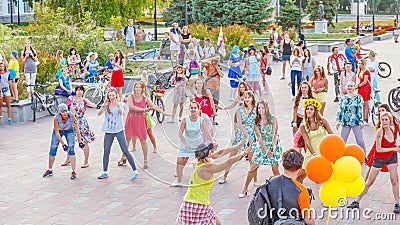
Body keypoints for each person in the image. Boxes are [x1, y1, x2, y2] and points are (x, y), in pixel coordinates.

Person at [176, 141, 249, 224]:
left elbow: (220, 153)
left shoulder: (198, 163)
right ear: (208, 154)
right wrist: (243, 154)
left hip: (190, 202)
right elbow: (228, 162)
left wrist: (237, 146)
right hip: (198, 205)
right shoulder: (207, 168)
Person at [348, 112, 400, 214]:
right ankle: (357, 201)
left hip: (391, 157)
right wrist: (394, 148)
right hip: (379, 158)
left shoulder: (393, 130)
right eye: (382, 120)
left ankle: (397, 203)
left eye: (386, 120)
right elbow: (379, 149)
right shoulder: (380, 132)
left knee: (394, 180)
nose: (384, 122)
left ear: (390, 121)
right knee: (369, 182)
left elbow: (393, 142)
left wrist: (396, 146)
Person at [239, 101, 282, 198]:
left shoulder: (273, 119)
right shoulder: (256, 121)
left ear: (266, 108)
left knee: (275, 168)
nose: (260, 110)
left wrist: (273, 148)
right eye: (259, 108)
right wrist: (266, 149)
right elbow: (259, 137)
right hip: (262, 145)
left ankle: (280, 188)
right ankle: (245, 188)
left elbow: (274, 133)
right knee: (253, 167)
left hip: (273, 144)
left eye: (262, 108)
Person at [171, 101, 216, 187]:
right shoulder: (185, 119)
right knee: (180, 161)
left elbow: (206, 132)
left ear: (199, 110)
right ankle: (178, 181)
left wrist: (212, 141)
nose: (193, 109)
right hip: (186, 142)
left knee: (196, 163)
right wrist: (185, 144)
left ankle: (194, 180)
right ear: (189, 109)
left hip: (197, 143)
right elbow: (180, 133)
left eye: (195, 108)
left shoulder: (201, 120)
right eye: (191, 108)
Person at [97, 88, 139, 180]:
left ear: (116, 95)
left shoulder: (119, 104)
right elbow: (98, 113)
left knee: (125, 149)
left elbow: (122, 112)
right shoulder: (107, 105)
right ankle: (104, 171)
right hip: (108, 131)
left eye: (113, 95)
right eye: (110, 95)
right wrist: (104, 105)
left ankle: (135, 170)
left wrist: (118, 104)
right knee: (106, 151)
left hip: (118, 130)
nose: (111, 97)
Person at [123, 81, 166, 169]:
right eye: (136, 87)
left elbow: (154, 106)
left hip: (140, 120)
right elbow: (131, 107)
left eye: (140, 87)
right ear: (134, 88)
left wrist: (162, 112)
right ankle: (123, 157)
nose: (138, 89)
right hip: (131, 119)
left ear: (142, 89)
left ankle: (145, 160)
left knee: (143, 140)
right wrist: (143, 109)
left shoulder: (145, 98)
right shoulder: (131, 97)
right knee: (127, 140)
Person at [267, 149, 316, 225]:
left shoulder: (271, 181)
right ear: (300, 168)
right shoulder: (301, 190)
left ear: (282, 164)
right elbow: (308, 219)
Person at [220, 91, 257, 184]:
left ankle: (255, 179)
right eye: (245, 97)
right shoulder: (239, 110)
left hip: (252, 134)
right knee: (231, 156)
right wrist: (245, 135)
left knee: (252, 159)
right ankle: (224, 176)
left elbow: (258, 123)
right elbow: (239, 124)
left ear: (252, 98)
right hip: (241, 134)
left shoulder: (256, 110)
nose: (247, 99)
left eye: (249, 97)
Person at [297, 99, 334, 183]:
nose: (308, 111)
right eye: (307, 109)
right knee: (300, 175)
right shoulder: (303, 126)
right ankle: (297, 192)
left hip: (324, 151)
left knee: (326, 175)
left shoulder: (322, 121)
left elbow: (332, 134)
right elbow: (307, 141)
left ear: (315, 111)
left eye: (311, 109)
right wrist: (314, 154)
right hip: (312, 152)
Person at [42, 104, 83, 179]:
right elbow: (57, 132)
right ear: (59, 113)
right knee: (53, 147)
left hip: (69, 131)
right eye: (62, 112)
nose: (64, 113)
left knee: (71, 147)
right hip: (59, 131)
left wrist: (80, 141)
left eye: (65, 111)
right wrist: (63, 144)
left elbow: (77, 129)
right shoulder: (56, 118)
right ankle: (50, 169)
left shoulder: (72, 116)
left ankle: (73, 171)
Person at [61, 85, 97, 168]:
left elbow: (92, 104)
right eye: (78, 90)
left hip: (82, 123)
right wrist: (74, 114)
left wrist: (97, 106)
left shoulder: (84, 100)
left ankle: (86, 161)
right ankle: (68, 158)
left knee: (85, 142)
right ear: (75, 91)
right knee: (70, 141)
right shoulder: (71, 98)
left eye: (81, 90)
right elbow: (71, 107)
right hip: (73, 122)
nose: (79, 92)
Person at [365, 104, 400, 180]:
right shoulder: (381, 122)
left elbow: (395, 136)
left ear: (388, 111)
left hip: (390, 146)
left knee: (393, 169)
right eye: (379, 111)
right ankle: (365, 183)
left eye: (383, 110)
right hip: (378, 146)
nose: (381, 112)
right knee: (372, 165)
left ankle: (396, 184)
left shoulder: (395, 121)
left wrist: (396, 145)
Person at [336, 81, 366, 153]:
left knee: (360, 140)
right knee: (342, 140)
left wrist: (361, 121)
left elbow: (359, 109)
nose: (349, 87)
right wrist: (338, 121)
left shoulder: (358, 97)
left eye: (351, 86)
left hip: (355, 121)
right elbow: (340, 109)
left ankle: (364, 156)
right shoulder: (343, 98)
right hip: (345, 121)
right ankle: (339, 154)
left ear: (355, 87)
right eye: (348, 86)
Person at [356, 59, 371, 124]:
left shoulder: (366, 71)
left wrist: (358, 86)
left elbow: (365, 81)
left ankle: (365, 119)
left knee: (365, 104)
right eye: (359, 63)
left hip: (365, 88)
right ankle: (363, 118)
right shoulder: (360, 70)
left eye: (361, 64)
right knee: (362, 104)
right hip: (361, 87)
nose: (359, 65)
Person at [0, 61, 12, 125]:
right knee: (0, 105)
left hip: (7, 89)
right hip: (0, 90)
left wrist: (11, 91)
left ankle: (9, 118)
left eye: (3, 66)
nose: (2, 67)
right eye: (0, 66)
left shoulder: (7, 73)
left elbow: (9, 82)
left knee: (8, 105)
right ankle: (0, 117)